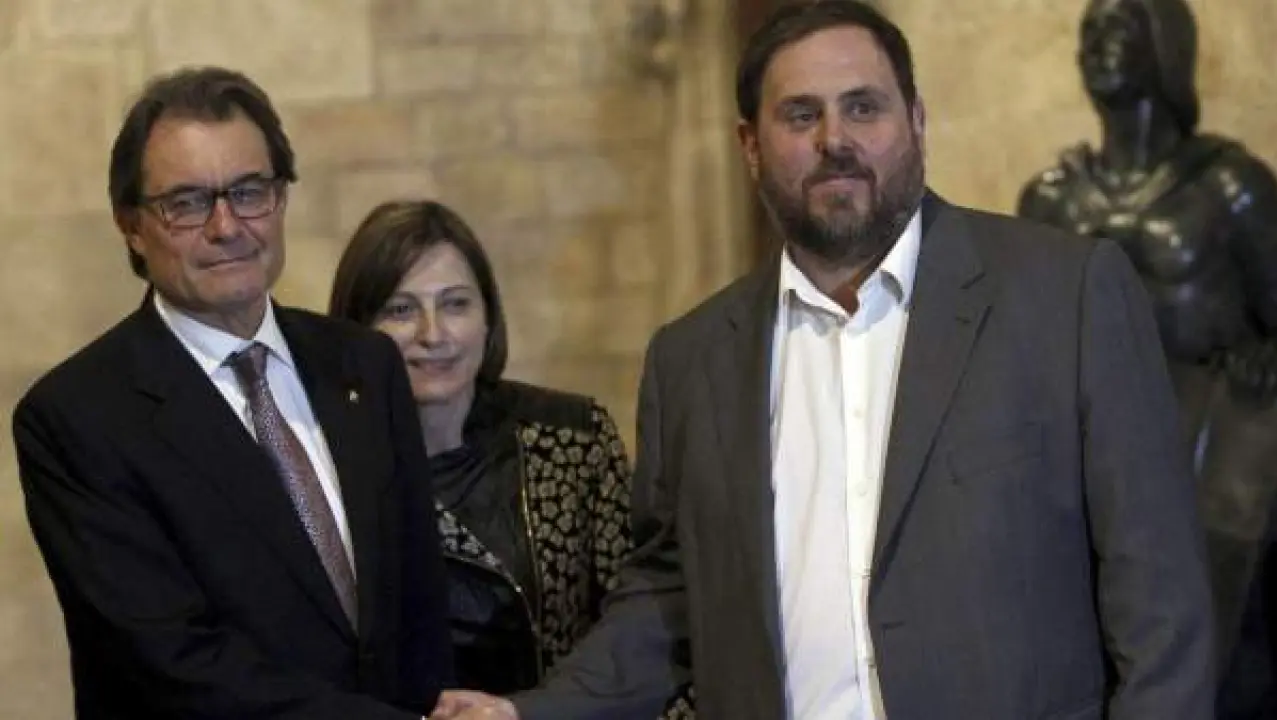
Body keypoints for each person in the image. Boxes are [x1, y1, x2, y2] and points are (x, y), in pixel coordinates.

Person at [502, 2, 1216, 719]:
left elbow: (1162, 603)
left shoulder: (1066, 297)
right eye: (801, 115)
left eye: (863, 107)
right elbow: (669, 597)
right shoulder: (690, 360)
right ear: (750, 146)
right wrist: (527, 713)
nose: (835, 140)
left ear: (917, 121)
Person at [12, 67, 452, 719]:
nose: (227, 226)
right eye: (187, 203)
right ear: (131, 225)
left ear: (282, 198)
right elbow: (170, 664)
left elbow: (419, 602)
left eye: (249, 192)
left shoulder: (365, 364)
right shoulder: (77, 418)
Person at [1017, 1, 1277, 714]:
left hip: (1207, 435)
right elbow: (1025, 345)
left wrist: (1265, 358)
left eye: (1119, 30)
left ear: (1166, 47)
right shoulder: (1051, 201)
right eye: (1089, 33)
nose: (1097, 46)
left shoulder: (1230, 186)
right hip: (1090, 443)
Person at [328, 201, 634, 700]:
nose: (433, 335)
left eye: (455, 304)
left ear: (488, 318)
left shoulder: (574, 438)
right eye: (401, 310)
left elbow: (637, 627)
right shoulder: (327, 467)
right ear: (357, 328)